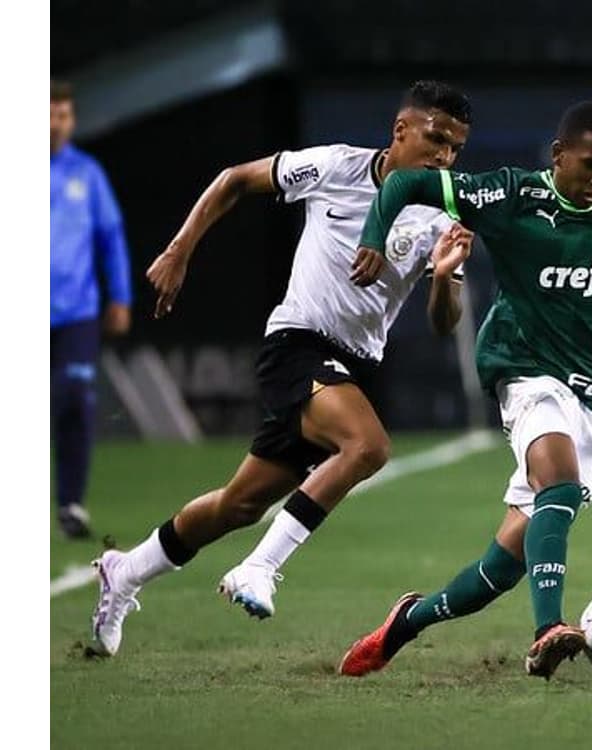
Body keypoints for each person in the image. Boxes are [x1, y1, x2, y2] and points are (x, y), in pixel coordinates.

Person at [336, 101, 592, 680]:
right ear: (558, 155)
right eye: (590, 165)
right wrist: (374, 235)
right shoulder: (510, 197)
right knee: (560, 483)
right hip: (527, 368)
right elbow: (406, 183)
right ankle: (548, 629)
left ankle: (405, 623)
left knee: (501, 568)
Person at [87, 80, 476, 657]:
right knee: (368, 446)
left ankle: (125, 572)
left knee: (238, 504)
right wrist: (180, 249)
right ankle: (259, 569)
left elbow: (446, 322)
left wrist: (443, 277)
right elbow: (235, 180)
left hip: (352, 367)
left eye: (455, 149)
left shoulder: (439, 216)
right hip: (296, 344)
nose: (443, 156)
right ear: (401, 130)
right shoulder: (334, 168)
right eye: (435, 138)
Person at [51, 79, 132, 540]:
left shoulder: (87, 174)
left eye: (63, 114)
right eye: (48, 113)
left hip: (77, 311)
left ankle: (70, 504)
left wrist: (119, 296)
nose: (55, 123)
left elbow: (110, 239)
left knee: (74, 400)